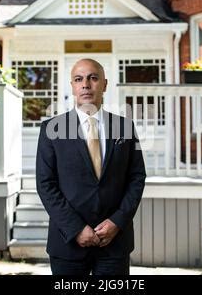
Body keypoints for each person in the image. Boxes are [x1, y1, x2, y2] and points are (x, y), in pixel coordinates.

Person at [36, 58, 146, 275]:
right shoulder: (51, 129)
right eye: (79, 79)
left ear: (104, 84)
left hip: (114, 244)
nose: (85, 84)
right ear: (73, 86)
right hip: (67, 244)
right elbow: (46, 184)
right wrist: (76, 228)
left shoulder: (124, 127)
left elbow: (137, 177)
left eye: (93, 78)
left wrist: (117, 221)